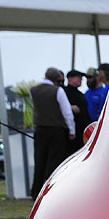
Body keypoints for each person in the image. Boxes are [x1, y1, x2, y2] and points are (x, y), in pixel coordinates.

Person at [29, 67, 75, 199]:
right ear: (56, 79)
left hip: (40, 129)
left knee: (39, 161)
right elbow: (67, 112)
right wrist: (72, 130)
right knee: (54, 161)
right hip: (56, 130)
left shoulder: (34, 90)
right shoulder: (58, 91)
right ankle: (50, 191)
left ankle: (36, 192)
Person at [63, 69, 91, 153]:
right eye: (78, 77)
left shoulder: (80, 94)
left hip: (82, 132)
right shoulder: (64, 92)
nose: (81, 79)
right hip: (71, 133)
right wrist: (69, 107)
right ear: (70, 78)